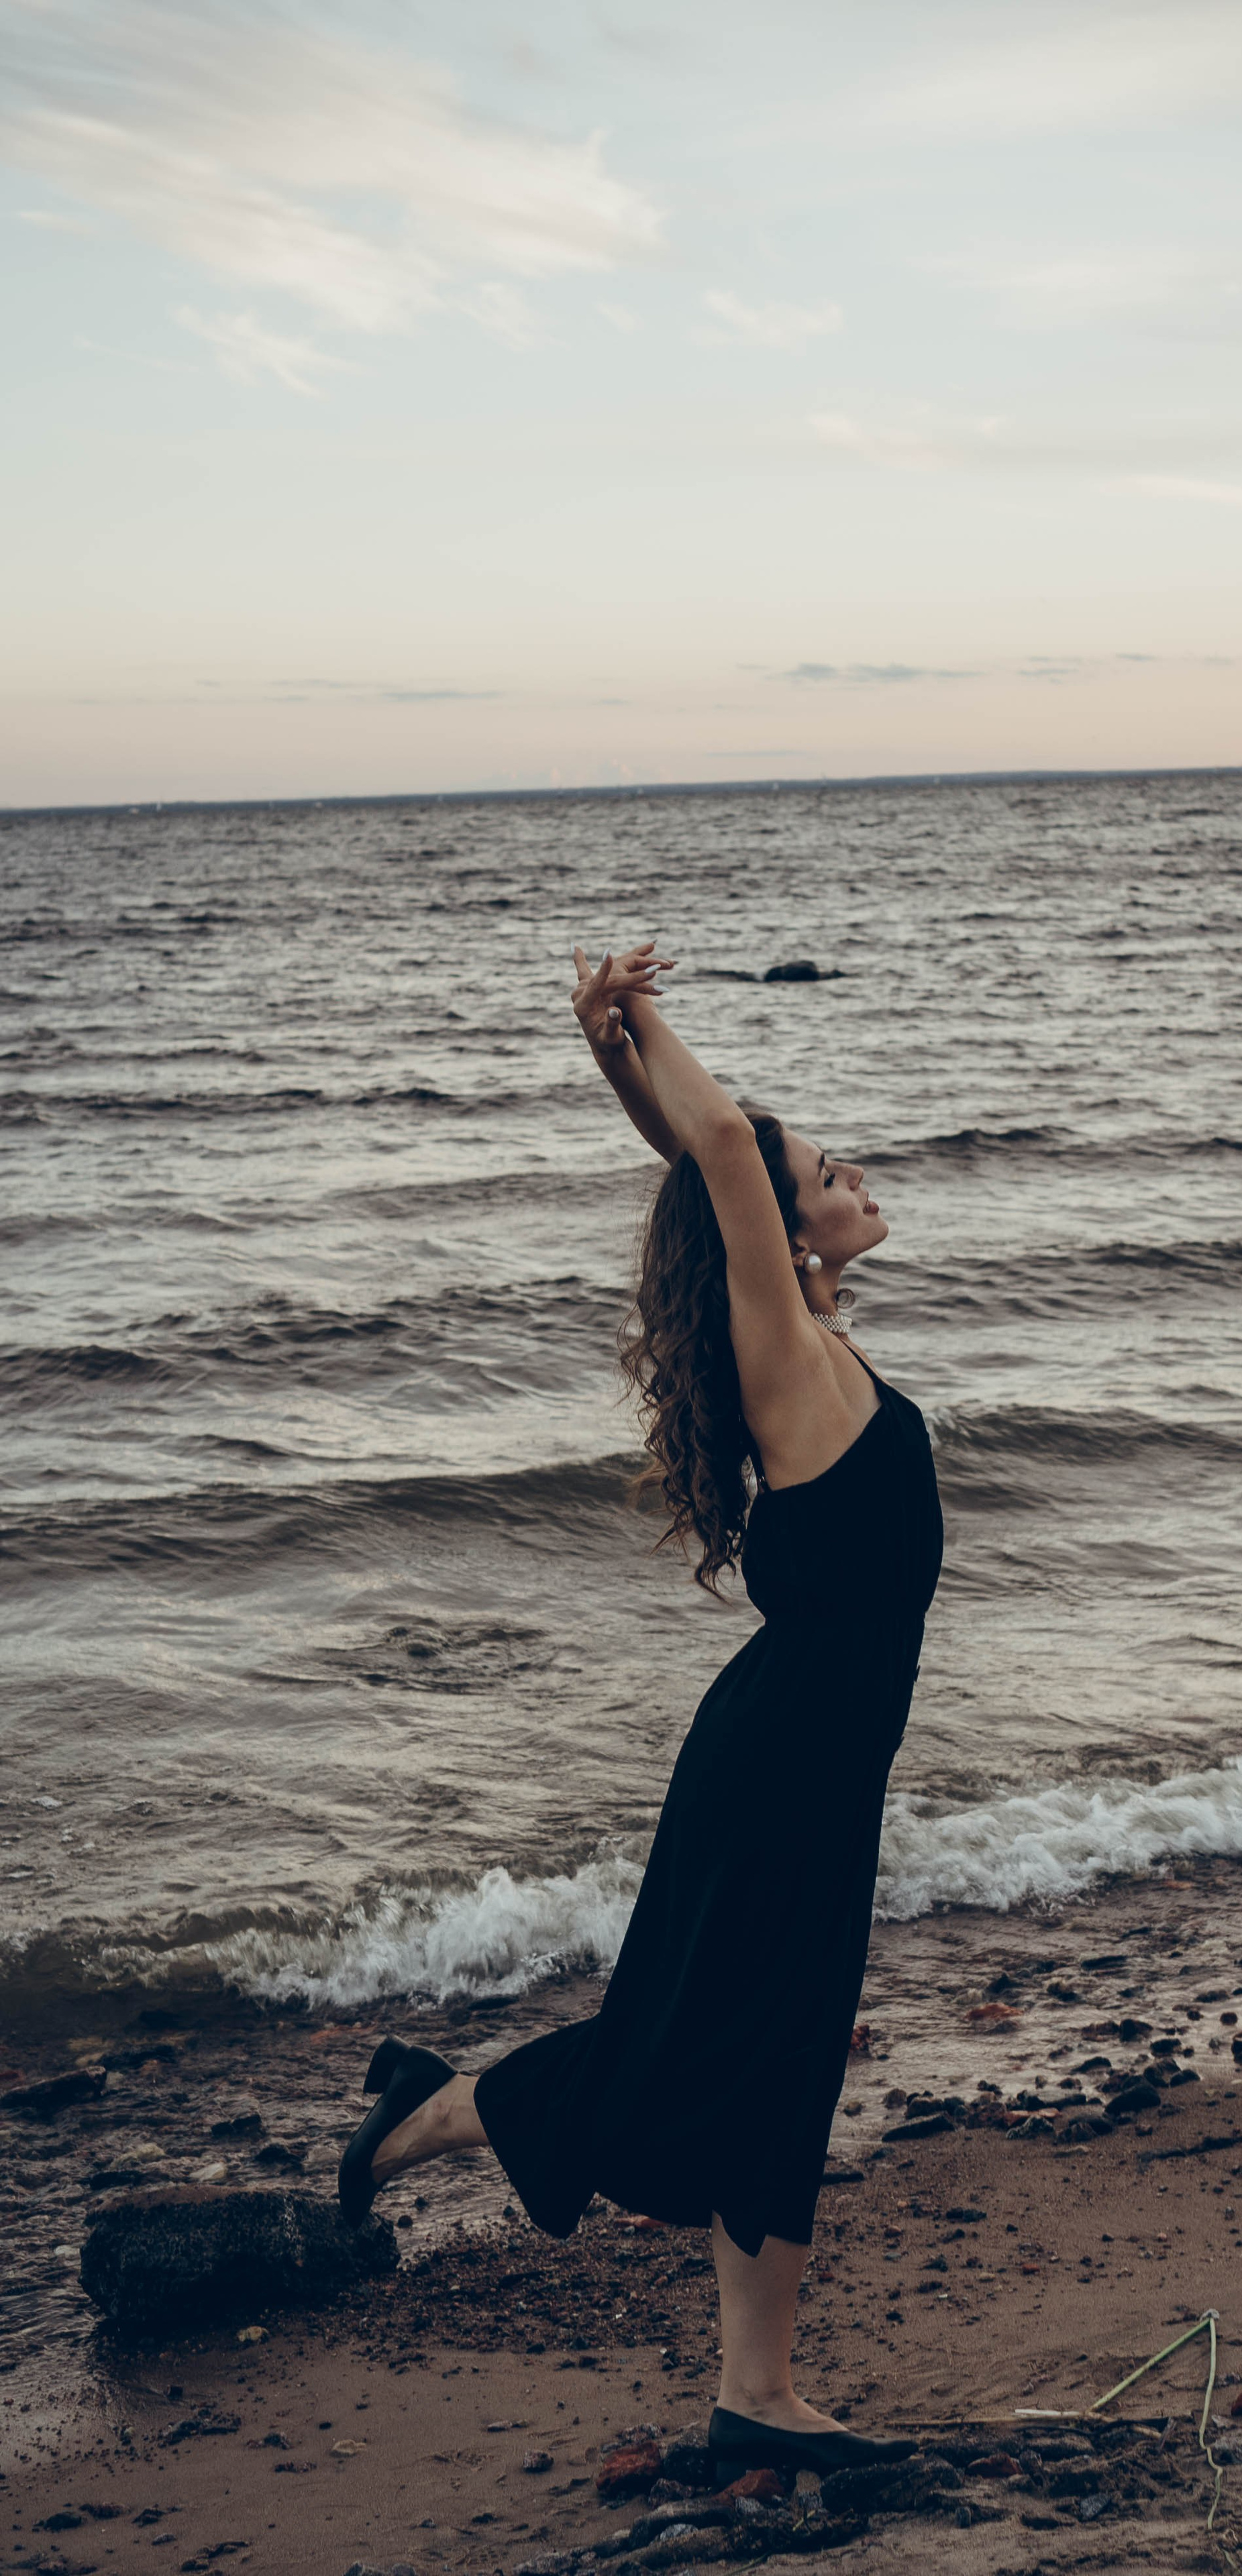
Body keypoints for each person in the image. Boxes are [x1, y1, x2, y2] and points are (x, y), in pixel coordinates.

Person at [339, 940, 943, 2476]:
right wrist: (636, 1013)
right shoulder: (779, 1349)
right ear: (774, 1225)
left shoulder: (813, 1336)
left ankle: (754, 2393)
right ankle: (438, 2115)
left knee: (775, 2056)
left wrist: (615, 1060)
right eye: (822, 1171)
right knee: (707, 2044)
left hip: (815, 1756)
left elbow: (701, 1165)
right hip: (780, 1762)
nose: (851, 1174)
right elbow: (721, 1149)